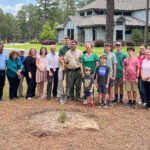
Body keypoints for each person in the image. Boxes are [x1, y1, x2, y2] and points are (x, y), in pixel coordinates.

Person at [57, 37, 71, 101]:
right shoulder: (62, 49)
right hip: (62, 66)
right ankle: (59, 94)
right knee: (60, 80)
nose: (66, 41)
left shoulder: (71, 49)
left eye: (68, 40)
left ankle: (67, 94)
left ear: (70, 41)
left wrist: (68, 65)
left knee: (68, 81)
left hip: (69, 67)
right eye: (65, 40)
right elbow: (60, 58)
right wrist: (64, 64)